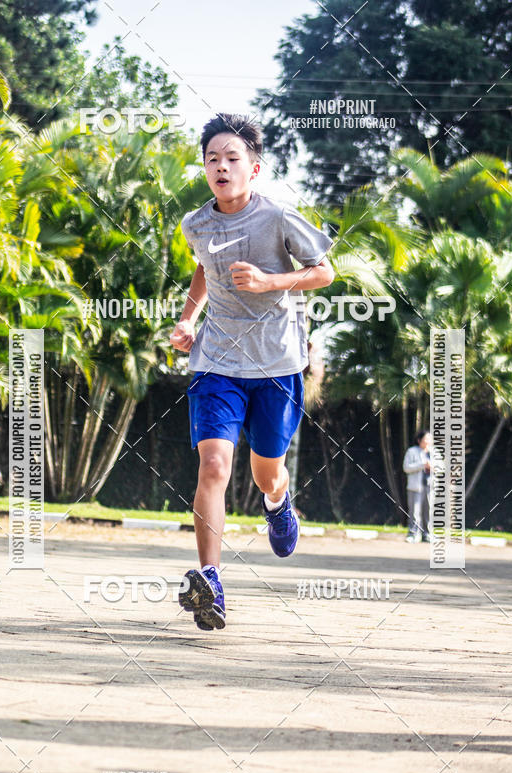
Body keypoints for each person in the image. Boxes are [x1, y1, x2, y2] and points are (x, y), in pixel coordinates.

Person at [170, 112, 334, 630]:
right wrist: (187, 318)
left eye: (232, 158)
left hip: (277, 364)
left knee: (266, 470)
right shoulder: (196, 224)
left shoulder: (279, 218)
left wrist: (268, 282)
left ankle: (278, 500)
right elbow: (203, 264)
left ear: (255, 168)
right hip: (216, 361)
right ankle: (210, 579)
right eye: (212, 159)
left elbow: (325, 272)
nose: (221, 166)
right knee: (214, 466)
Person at [403, 430, 433, 543]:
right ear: (419, 440)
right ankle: (413, 534)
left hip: (430, 487)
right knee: (414, 512)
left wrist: (433, 467)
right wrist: (422, 465)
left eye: (430, 439)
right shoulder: (411, 451)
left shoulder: (434, 453)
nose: (428, 441)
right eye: (426, 439)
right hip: (415, 487)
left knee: (428, 511)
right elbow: (406, 468)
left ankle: (427, 535)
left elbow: (442, 468)